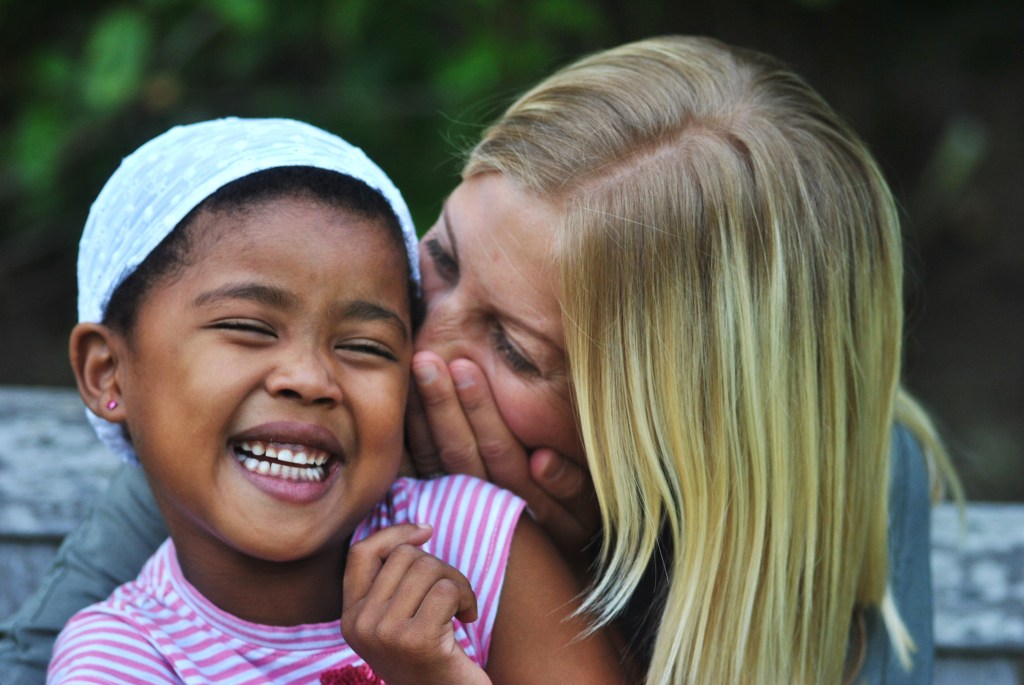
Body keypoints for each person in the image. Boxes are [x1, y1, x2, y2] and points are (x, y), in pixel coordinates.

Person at [0, 37, 956, 684]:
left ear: (661, 437)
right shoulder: (267, 440)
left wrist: (571, 588)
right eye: (443, 260)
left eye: (511, 346)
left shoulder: (859, 484)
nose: (415, 354)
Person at [42, 117, 625, 684]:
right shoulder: (119, 658)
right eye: (248, 327)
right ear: (108, 373)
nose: (311, 378)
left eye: (364, 346)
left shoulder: (475, 541)